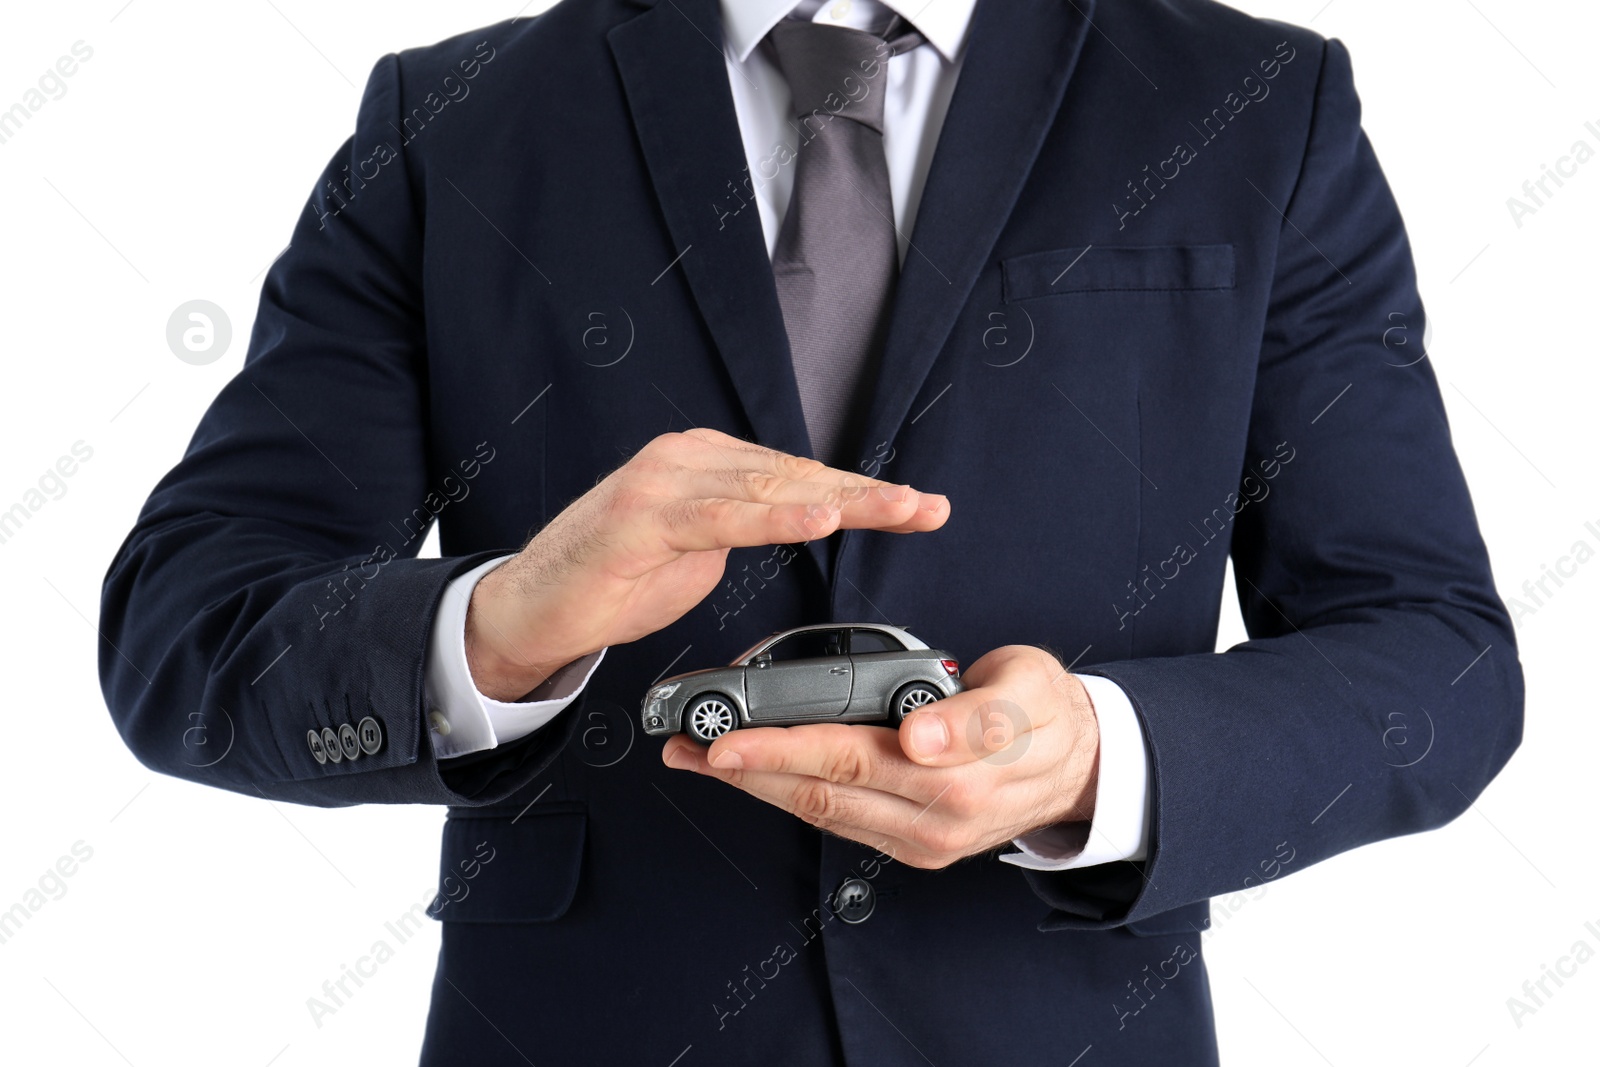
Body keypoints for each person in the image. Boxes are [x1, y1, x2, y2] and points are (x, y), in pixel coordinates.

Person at [99, 0, 1523, 1062]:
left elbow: (1435, 660)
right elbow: (187, 633)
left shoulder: (1255, 104)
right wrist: (506, 623)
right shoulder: (451, 123)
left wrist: (1102, 755)